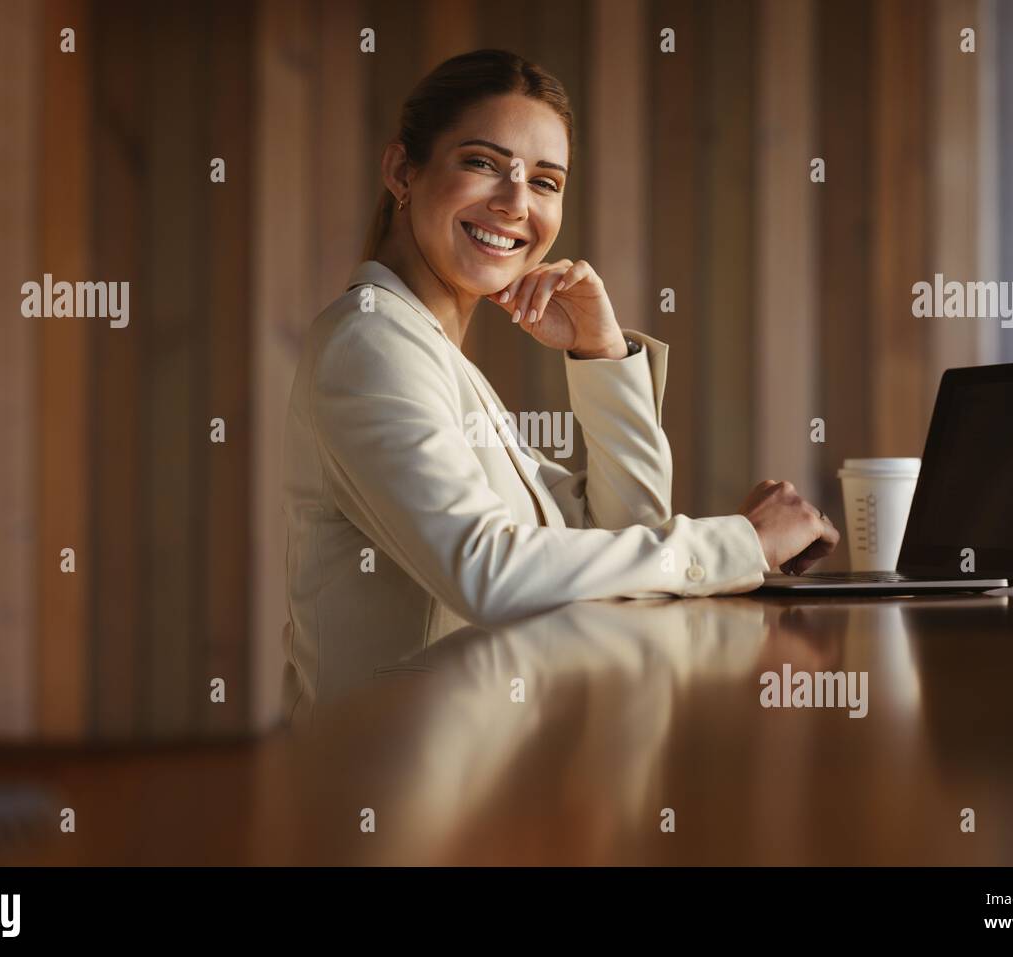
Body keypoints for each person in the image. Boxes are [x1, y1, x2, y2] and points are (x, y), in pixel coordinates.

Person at [281, 49, 838, 720]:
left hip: (473, 788)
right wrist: (741, 543)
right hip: (391, 799)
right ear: (403, 170)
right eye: (483, 163)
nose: (517, 202)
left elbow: (625, 530)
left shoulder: (435, 359)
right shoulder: (370, 344)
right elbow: (489, 572)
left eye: (545, 181)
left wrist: (603, 355)